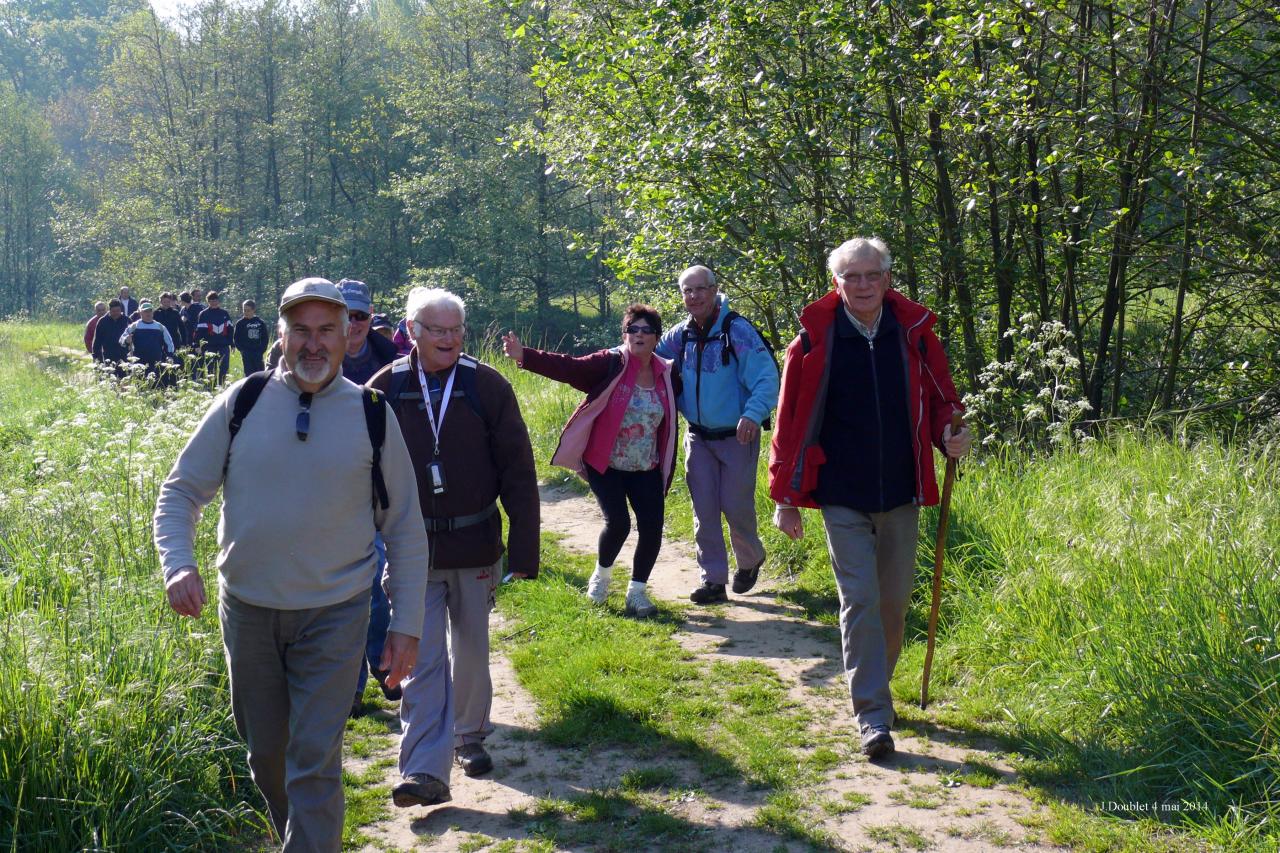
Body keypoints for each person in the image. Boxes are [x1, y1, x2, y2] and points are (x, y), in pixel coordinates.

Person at [154, 277, 430, 851]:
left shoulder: (372, 414)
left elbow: (403, 526)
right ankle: (298, 833)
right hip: (249, 612)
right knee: (268, 757)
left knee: (313, 760)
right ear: (278, 335)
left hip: (335, 613)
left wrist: (406, 625)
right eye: (300, 330)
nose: (313, 343)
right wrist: (179, 564)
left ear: (347, 336)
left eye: (326, 330)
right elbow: (180, 493)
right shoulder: (243, 403)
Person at [769, 237, 972, 760]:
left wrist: (952, 431)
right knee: (859, 600)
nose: (862, 286)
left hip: (903, 490)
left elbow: (942, 399)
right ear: (836, 283)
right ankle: (873, 715)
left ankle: (876, 687)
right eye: (851, 277)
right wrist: (784, 496)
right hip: (841, 493)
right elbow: (789, 423)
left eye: (871, 276)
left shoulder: (915, 336)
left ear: (887, 278)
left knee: (892, 603)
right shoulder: (813, 342)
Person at [368, 287, 539, 806]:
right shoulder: (385, 390)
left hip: (475, 545)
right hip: (410, 551)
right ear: (411, 330)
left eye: (455, 330)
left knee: (470, 649)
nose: (448, 338)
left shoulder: (486, 386)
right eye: (436, 329)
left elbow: (518, 469)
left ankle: (468, 735)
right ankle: (423, 768)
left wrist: (525, 551)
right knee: (418, 655)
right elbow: (358, 470)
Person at [504, 304, 677, 618]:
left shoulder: (667, 372)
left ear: (656, 337)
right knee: (619, 523)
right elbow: (569, 367)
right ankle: (602, 576)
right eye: (632, 329)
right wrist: (524, 356)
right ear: (624, 335)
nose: (638, 335)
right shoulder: (610, 363)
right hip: (605, 463)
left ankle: (637, 593)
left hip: (646, 466)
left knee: (652, 527)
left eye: (646, 330)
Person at [655, 265, 779, 605]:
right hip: (698, 437)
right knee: (704, 508)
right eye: (687, 291)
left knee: (736, 506)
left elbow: (767, 377)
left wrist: (753, 415)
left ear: (714, 290)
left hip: (737, 436)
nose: (693, 296)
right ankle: (712, 580)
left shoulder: (737, 331)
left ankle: (750, 558)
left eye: (700, 289)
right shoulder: (680, 335)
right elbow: (646, 357)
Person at [334, 279, 403, 716]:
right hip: (331, 490)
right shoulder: (310, 357)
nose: (354, 324)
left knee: (379, 582)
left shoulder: (392, 360)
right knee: (347, 589)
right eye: (346, 316)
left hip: (385, 487)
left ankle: (378, 667)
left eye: (360, 316)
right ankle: (357, 678)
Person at [119, 301, 176, 384]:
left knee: (155, 385)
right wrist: (126, 340)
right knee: (139, 384)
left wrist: (170, 355)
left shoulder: (160, 327)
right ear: (140, 313)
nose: (148, 313)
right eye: (145, 311)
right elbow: (121, 340)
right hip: (138, 361)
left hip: (156, 362)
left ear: (152, 312)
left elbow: (169, 342)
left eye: (149, 311)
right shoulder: (134, 326)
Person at [195, 291, 234, 384]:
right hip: (209, 346)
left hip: (223, 346)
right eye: (211, 300)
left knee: (224, 367)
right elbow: (199, 331)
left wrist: (232, 344)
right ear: (208, 301)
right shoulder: (203, 314)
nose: (214, 302)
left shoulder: (224, 313)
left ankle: (221, 386)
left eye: (215, 300)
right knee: (211, 368)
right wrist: (197, 345)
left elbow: (230, 329)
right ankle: (210, 388)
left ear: (218, 301)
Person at [91, 299, 130, 374]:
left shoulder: (127, 321)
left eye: (118, 310)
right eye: (113, 311)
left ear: (121, 310)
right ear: (109, 310)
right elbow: (97, 342)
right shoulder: (102, 322)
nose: (116, 313)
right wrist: (96, 358)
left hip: (124, 358)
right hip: (108, 357)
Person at [233, 299, 271, 376]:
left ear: (253, 310)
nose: (245, 312)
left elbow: (265, 338)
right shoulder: (240, 323)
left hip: (258, 353)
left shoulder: (260, 322)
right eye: (244, 310)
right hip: (246, 353)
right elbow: (236, 338)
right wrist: (242, 350)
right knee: (248, 374)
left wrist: (261, 350)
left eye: (248, 310)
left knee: (260, 374)